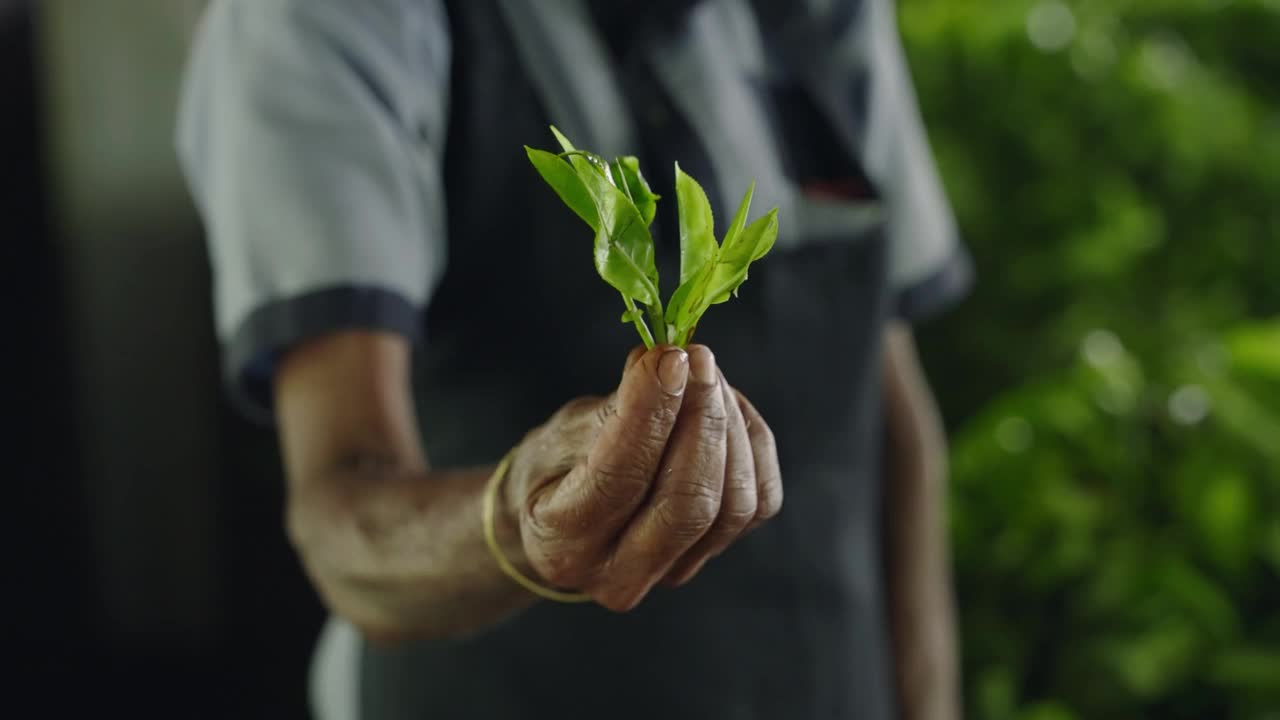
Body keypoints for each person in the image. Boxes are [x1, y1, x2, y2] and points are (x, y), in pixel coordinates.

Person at [176, 0, 972, 717]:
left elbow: (896, 427)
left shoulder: (822, 17)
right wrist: (519, 520)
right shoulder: (324, 24)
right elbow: (340, 518)